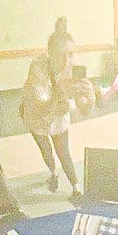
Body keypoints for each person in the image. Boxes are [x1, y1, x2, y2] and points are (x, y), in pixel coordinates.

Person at [22, 37, 80, 196]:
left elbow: (76, 97)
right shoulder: (37, 71)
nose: (67, 60)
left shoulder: (71, 69)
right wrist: (57, 99)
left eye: (70, 54)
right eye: (61, 55)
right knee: (46, 150)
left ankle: (76, 188)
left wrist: (71, 104)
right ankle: (53, 174)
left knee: (63, 152)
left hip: (58, 118)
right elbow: (41, 105)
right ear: (50, 54)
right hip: (37, 117)